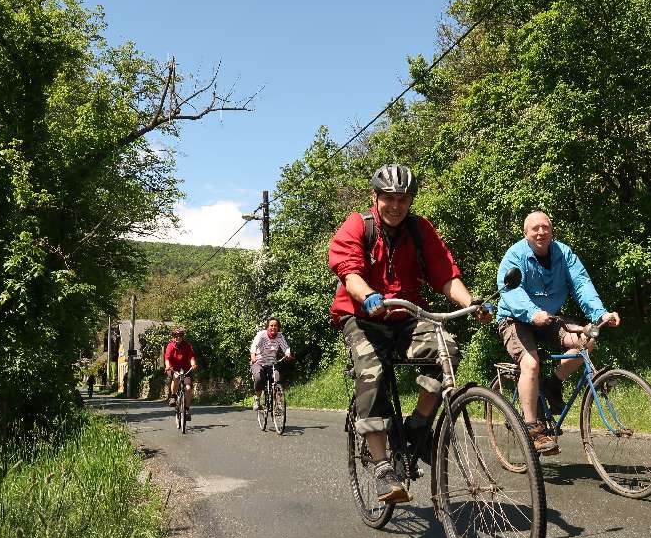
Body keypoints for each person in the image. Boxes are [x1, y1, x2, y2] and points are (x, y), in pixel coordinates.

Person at [329, 163, 479, 504]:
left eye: (403, 199)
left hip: (408, 313)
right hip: (364, 316)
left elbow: (444, 273)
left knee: (446, 350)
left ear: (411, 201)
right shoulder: (359, 225)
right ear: (375, 197)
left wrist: (470, 302)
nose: (396, 206)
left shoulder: (419, 229)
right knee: (372, 372)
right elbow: (349, 272)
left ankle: (417, 426)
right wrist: (368, 294)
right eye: (389, 198)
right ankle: (382, 466)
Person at [496, 211, 621, 455]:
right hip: (515, 319)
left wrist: (600, 314)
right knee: (531, 364)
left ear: (552, 231)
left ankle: (552, 384)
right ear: (525, 233)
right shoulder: (515, 255)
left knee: (587, 340)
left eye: (545, 227)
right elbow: (510, 291)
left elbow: (582, 284)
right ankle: (532, 428)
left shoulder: (564, 254)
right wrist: (532, 313)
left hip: (548, 318)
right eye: (535, 228)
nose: (541, 232)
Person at [249, 317, 293, 410]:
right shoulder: (261, 334)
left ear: (278, 327)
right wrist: (253, 356)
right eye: (271, 325)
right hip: (258, 362)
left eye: (275, 326)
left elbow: (285, 347)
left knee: (276, 379)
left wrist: (287, 353)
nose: (273, 327)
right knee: (259, 378)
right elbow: (254, 345)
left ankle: (278, 403)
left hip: (271, 363)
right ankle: (257, 399)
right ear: (267, 327)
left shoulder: (280, 336)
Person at [164, 326, 198, 420]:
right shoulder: (170, 346)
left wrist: (193, 364)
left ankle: (186, 410)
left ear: (182, 337)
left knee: (188, 388)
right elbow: (167, 358)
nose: (178, 338)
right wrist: (168, 366)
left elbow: (191, 356)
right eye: (176, 336)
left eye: (180, 336)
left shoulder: (187, 346)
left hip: (185, 370)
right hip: (174, 369)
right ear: (173, 337)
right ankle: (173, 396)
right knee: (175, 377)